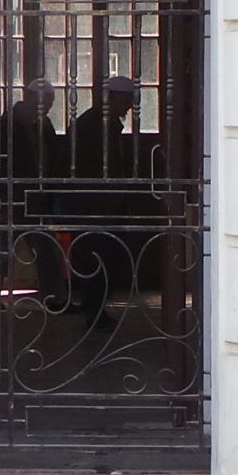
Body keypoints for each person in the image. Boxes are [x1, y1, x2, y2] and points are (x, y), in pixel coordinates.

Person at [64, 74, 143, 324]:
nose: (129, 106)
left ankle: (95, 307)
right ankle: (95, 311)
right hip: (94, 204)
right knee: (98, 258)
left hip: (99, 203)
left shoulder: (99, 122)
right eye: (127, 100)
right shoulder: (94, 125)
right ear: (114, 98)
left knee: (103, 257)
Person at [0, 79, 66, 310]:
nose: (48, 107)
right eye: (46, 102)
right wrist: (0, 201)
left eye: (51, 103)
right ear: (32, 99)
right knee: (4, 243)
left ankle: (54, 297)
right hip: (14, 195)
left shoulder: (43, 124)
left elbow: (52, 155)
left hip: (36, 196)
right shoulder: (9, 125)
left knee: (43, 244)